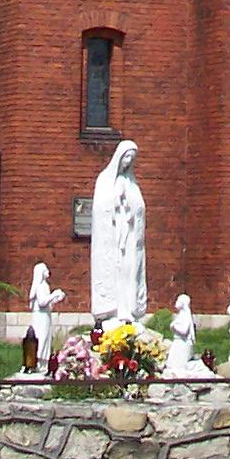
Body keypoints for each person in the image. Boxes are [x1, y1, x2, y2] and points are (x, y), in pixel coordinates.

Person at [89, 139, 147, 326]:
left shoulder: (132, 183)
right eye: (126, 157)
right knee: (114, 270)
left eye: (132, 158)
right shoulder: (105, 181)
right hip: (112, 237)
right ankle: (113, 310)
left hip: (129, 236)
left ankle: (128, 308)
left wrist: (130, 206)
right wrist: (116, 200)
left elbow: (139, 207)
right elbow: (100, 207)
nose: (128, 162)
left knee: (129, 271)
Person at [27, 262, 65, 373]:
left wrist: (56, 298)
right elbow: (42, 301)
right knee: (41, 338)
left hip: (46, 315)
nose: (48, 271)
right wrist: (54, 294)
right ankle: (37, 362)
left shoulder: (45, 285)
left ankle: (44, 363)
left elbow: (48, 303)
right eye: (46, 269)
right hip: (41, 316)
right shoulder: (40, 286)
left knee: (46, 338)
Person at [164, 291, 208, 379]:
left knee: (179, 366)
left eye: (178, 301)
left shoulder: (186, 316)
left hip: (182, 343)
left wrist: (174, 326)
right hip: (177, 342)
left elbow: (184, 331)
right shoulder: (181, 315)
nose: (176, 302)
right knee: (171, 364)